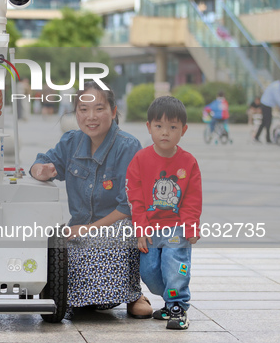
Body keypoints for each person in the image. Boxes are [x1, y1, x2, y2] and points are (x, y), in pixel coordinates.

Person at [30, 81, 152, 320]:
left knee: (121, 233)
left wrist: (86, 229)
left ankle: (133, 294)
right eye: (83, 110)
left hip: (114, 227)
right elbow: (43, 160)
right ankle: (85, 299)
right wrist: (40, 170)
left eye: (99, 108)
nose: (91, 117)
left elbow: (128, 208)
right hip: (79, 231)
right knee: (55, 247)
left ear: (114, 111)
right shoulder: (71, 142)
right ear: (75, 113)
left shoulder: (128, 146)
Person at [126, 96, 202, 330]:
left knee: (174, 264)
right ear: (149, 128)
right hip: (149, 228)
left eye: (172, 127)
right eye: (159, 126)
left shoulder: (188, 162)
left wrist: (191, 226)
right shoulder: (140, 159)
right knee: (149, 272)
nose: (165, 133)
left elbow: (192, 198)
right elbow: (136, 197)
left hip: (176, 227)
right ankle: (169, 299)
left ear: (183, 130)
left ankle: (177, 305)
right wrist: (140, 227)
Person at [254, 79, 280, 143]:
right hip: (266, 105)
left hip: (266, 104)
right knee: (268, 122)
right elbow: (278, 99)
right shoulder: (276, 87)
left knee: (264, 122)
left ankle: (257, 137)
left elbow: (277, 99)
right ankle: (267, 139)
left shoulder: (276, 85)